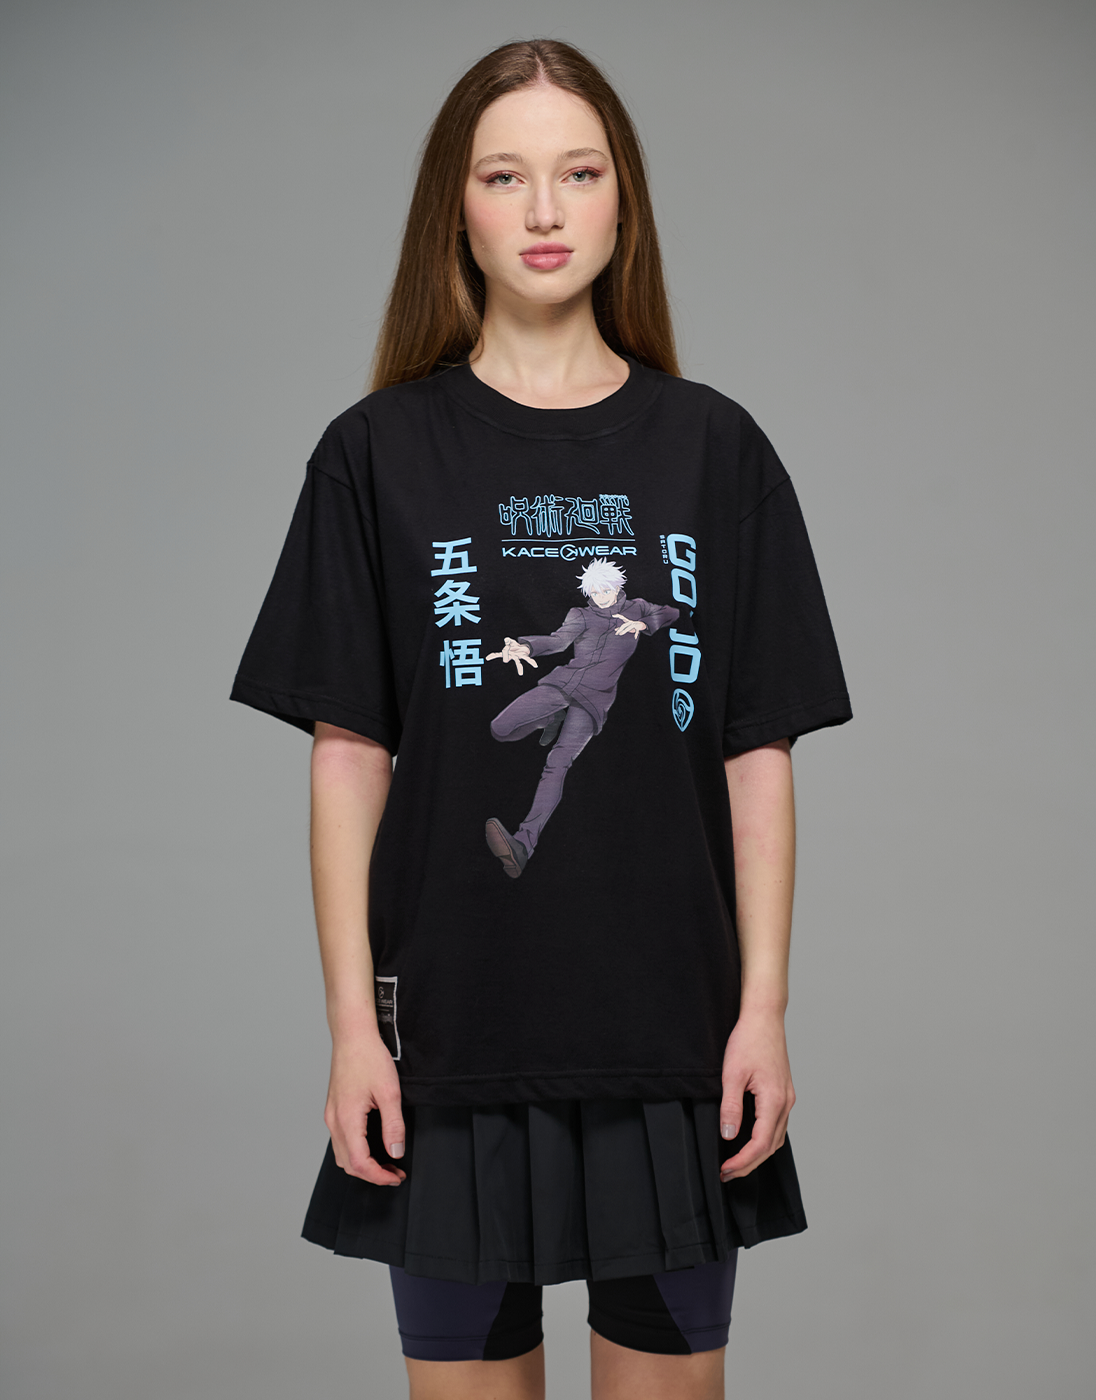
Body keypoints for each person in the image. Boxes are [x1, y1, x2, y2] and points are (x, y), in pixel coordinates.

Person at [230, 37, 851, 1400]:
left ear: (626, 202)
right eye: (505, 176)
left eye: (581, 172)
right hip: (453, 1039)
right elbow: (350, 759)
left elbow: (756, 756)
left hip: (672, 1039)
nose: (546, 209)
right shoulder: (377, 454)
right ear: (455, 209)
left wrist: (762, 1011)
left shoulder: (716, 452)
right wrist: (353, 1031)